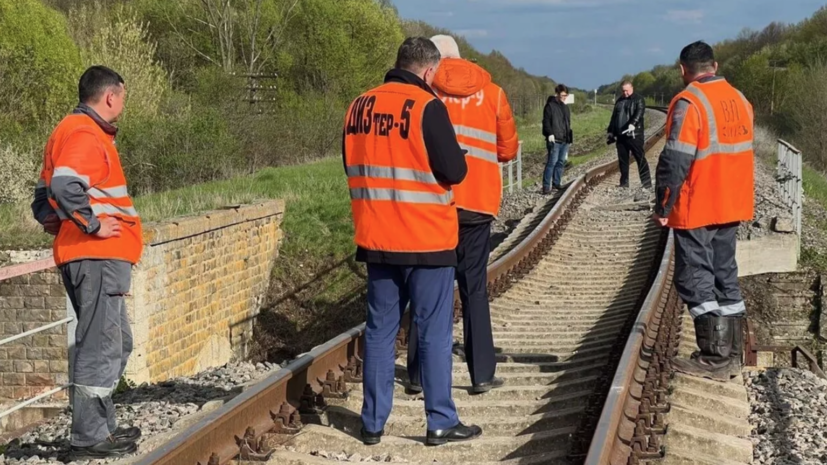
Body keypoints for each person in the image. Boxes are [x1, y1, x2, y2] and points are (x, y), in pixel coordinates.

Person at [342, 37, 482, 446]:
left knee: (380, 331)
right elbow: (454, 171)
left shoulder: (358, 106)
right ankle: (440, 420)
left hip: (377, 240)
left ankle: (372, 423)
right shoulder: (427, 107)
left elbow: (352, 162)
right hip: (426, 241)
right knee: (433, 331)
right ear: (428, 70)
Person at [31, 66, 143, 458]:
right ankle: (89, 436)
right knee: (101, 347)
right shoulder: (86, 133)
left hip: (89, 257)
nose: (123, 105)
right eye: (123, 97)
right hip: (97, 257)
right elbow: (64, 186)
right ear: (110, 96)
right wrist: (90, 225)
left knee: (116, 342)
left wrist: (59, 221)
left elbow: (44, 198)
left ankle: (103, 426)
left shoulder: (66, 130)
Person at [404, 34, 518, 397]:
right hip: (479, 204)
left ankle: (418, 376)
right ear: (461, 57)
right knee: (475, 290)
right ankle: (481, 373)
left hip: (436, 202)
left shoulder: (423, 90)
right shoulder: (494, 92)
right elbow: (508, 149)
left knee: (428, 289)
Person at [653, 40, 754, 381]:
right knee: (725, 274)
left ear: (684, 70)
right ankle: (734, 354)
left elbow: (676, 159)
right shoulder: (740, 99)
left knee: (694, 278)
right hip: (733, 202)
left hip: (700, 204)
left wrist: (664, 203)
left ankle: (714, 356)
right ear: (715, 64)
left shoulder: (690, 102)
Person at [608, 81, 652, 189]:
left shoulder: (639, 99)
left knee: (639, 157)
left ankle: (646, 183)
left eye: (627, 90)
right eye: (623, 91)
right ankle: (624, 183)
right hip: (620, 135)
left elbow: (639, 113)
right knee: (623, 160)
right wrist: (610, 131)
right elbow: (614, 117)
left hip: (634, 135)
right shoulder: (619, 101)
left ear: (632, 88)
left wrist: (633, 124)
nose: (625, 93)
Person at [541, 84, 573, 193]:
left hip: (564, 140)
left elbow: (567, 124)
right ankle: (546, 186)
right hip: (555, 140)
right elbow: (546, 122)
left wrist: (570, 139)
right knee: (552, 162)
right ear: (557, 94)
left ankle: (556, 183)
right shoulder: (550, 106)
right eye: (563, 95)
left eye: (566, 95)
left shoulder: (565, 108)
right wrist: (549, 133)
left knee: (560, 162)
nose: (564, 97)